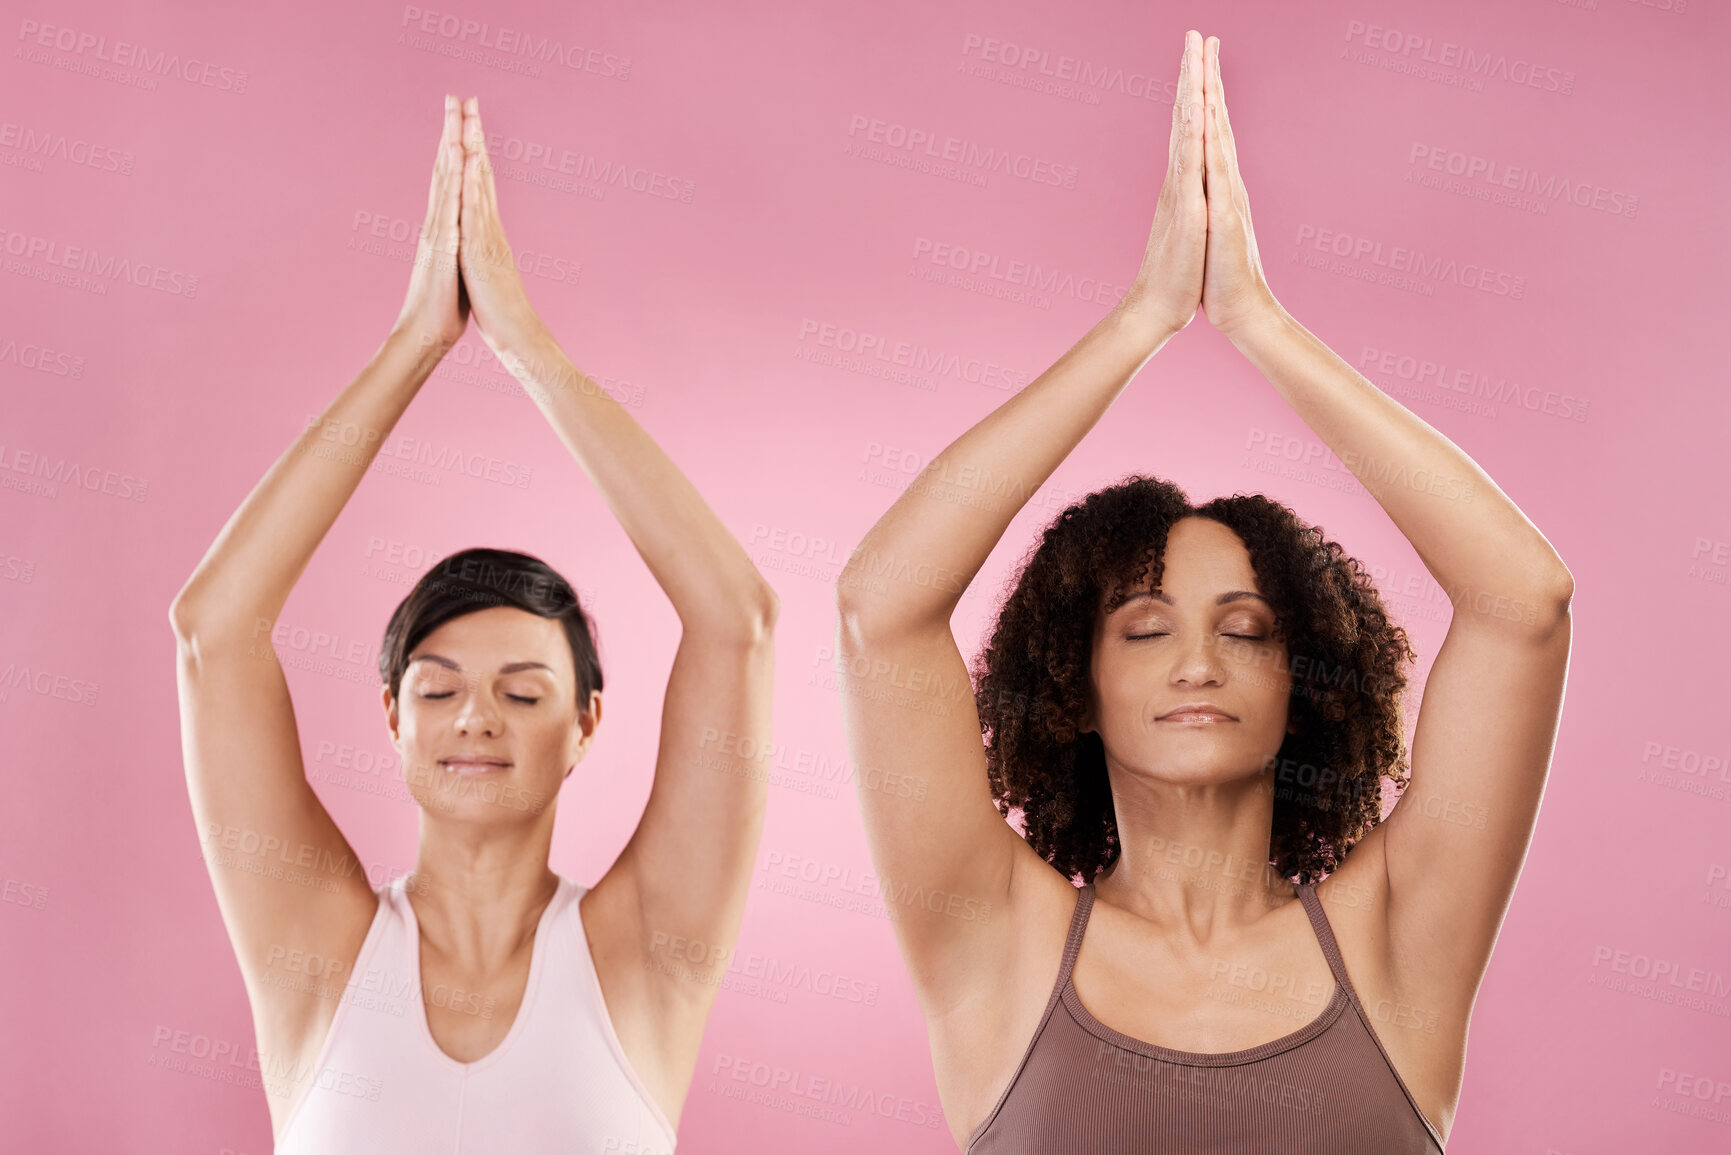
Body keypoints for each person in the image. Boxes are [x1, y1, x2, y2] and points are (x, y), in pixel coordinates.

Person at [834, 30, 1571, 1153]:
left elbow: (1526, 600)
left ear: (1303, 685)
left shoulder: (1397, 938)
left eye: (1248, 630)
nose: (1198, 662)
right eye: (1143, 628)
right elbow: (879, 606)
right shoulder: (999, 939)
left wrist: (1256, 324)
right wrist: (1142, 319)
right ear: (1076, 688)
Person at [169, 95, 778, 1152]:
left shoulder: (644, 952)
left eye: (524, 692)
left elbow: (738, 621)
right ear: (393, 721)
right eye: (439, 688)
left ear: (588, 722)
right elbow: (212, 630)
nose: (475, 719)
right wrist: (415, 342)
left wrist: (526, 346)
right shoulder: (316, 952)